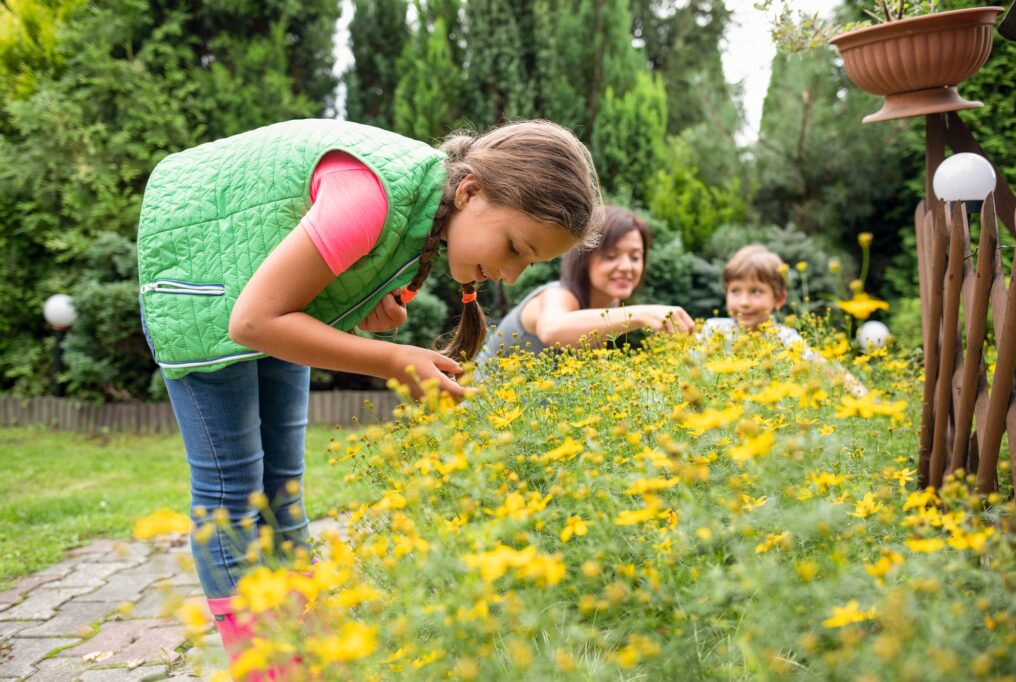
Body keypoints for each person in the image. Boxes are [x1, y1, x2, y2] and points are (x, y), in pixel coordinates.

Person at [135, 118, 603, 666]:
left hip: (258, 296)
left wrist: (367, 306)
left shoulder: (428, 210)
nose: (511, 274)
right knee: (231, 495)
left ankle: (301, 649)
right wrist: (393, 360)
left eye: (530, 263)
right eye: (515, 247)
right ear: (470, 190)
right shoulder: (370, 199)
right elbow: (253, 322)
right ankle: (268, 669)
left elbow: (311, 269)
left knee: (281, 492)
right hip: (202, 275)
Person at [476, 206, 694, 364]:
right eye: (611, 256)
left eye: (636, 257)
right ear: (584, 259)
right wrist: (641, 314)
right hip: (481, 414)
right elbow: (552, 330)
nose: (627, 267)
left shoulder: (609, 306)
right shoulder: (557, 295)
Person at [701, 245, 867, 395]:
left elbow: (826, 367)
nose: (744, 302)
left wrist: (866, 399)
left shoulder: (786, 339)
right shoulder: (712, 330)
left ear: (779, 299)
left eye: (756, 291)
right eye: (735, 291)